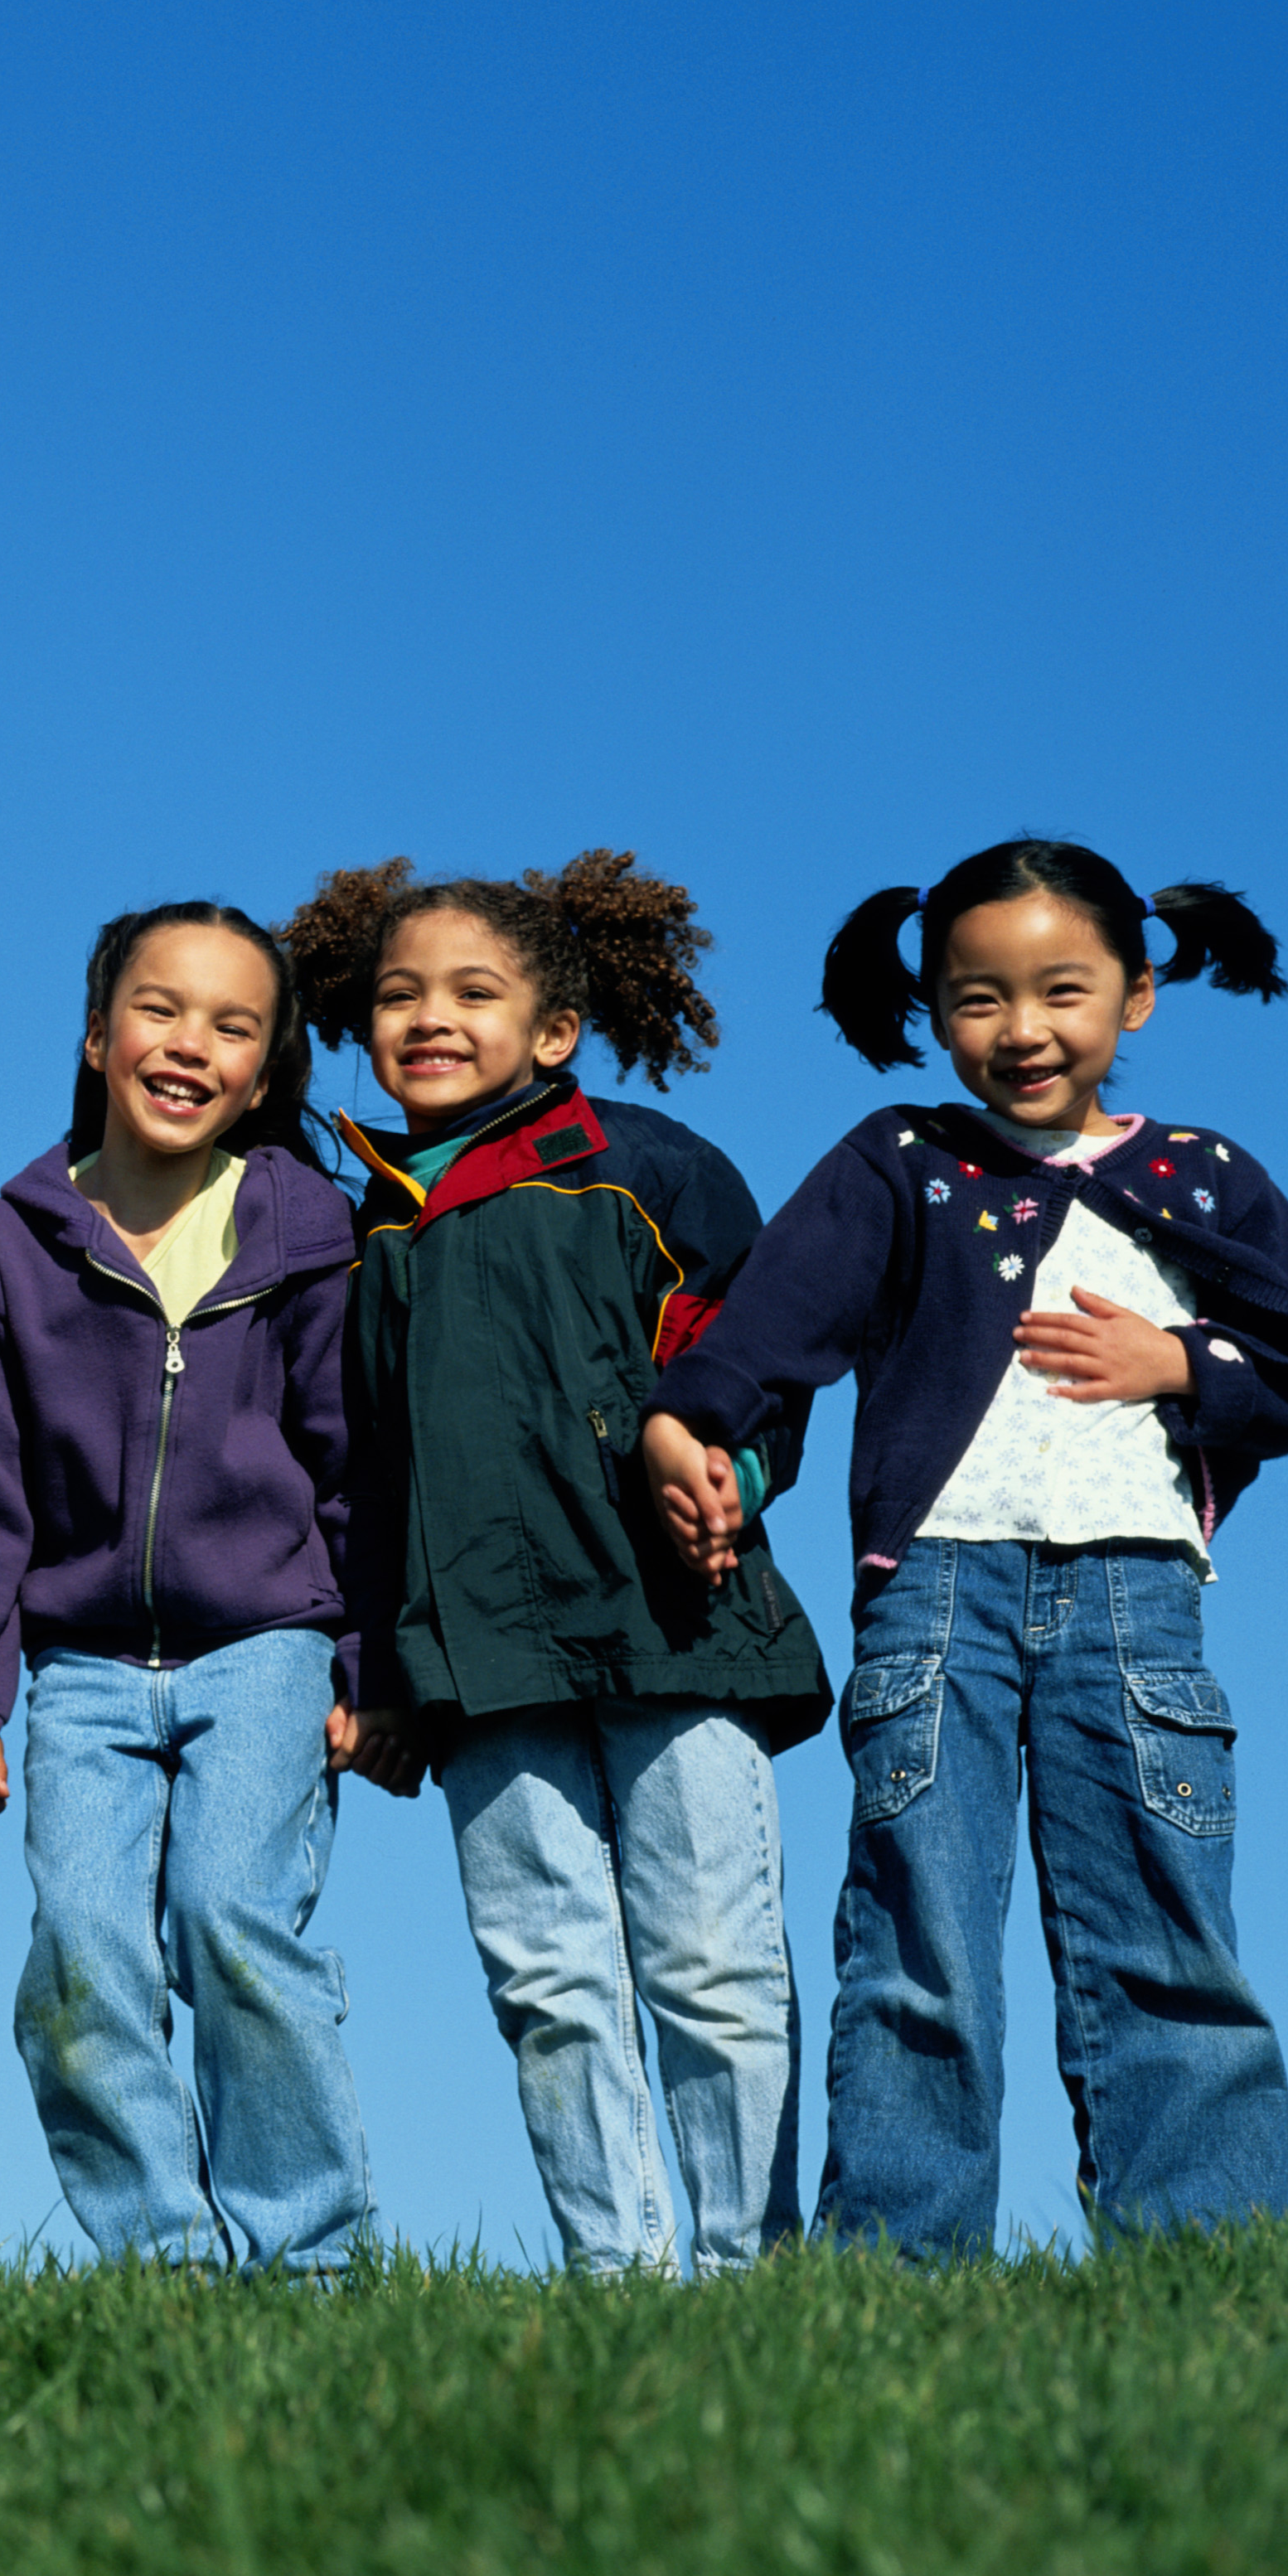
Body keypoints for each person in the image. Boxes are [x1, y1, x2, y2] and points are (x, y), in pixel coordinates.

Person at [644, 839, 1288, 2258]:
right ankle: (900, 2272)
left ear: (1137, 996)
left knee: (1163, 1931)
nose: (1019, 1029)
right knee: (919, 1941)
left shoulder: (1201, 1175)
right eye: (976, 998)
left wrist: (1179, 1359)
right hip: (934, 1599)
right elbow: (771, 1323)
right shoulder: (898, 1162)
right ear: (930, 1009)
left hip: (1135, 1599)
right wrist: (687, 1423)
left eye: (1060, 991)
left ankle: (1201, 2266)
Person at [284, 850, 828, 2279]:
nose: (428, 1018)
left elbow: (756, 1365)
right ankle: (620, 2271)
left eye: (473, 991)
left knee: (710, 1961)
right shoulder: (367, 1223)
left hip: (675, 1617)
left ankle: (747, 2273)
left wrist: (733, 1473)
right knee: (545, 1974)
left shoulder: (651, 1171)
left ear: (553, 1030)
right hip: (480, 1654)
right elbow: (369, 1472)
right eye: (397, 995)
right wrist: (388, 1672)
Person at [0, 900, 376, 2273]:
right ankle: (160, 2257)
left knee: (230, 1920)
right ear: (98, 1032)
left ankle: (309, 2258)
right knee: (81, 1949)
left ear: (268, 1067)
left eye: (232, 1026)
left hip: (268, 1642)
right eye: (160, 1010)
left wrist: (359, 1663)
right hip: (86, 1668)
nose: (189, 1046)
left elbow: (350, 1467)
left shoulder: (305, 1232)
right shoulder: (8, 1242)